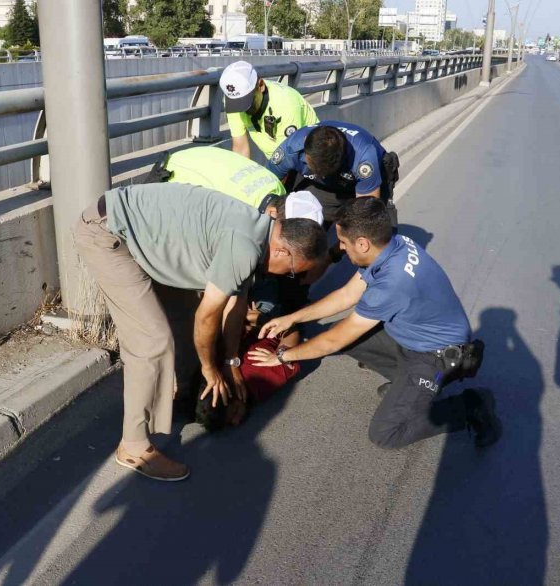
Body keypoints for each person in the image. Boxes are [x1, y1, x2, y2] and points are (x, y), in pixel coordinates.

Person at [74, 183, 327, 481]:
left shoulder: (260, 232)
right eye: (294, 270)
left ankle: (180, 392)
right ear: (283, 249)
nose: (289, 276)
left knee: (183, 318)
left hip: (139, 233)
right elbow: (208, 317)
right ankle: (133, 447)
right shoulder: (244, 246)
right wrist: (209, 368)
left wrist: (230, 363)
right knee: (152, 341)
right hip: (108, 233)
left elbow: (234, 308)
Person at [248, 198, 501, 450]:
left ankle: (469, 405)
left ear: (362, 243)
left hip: (438, 357)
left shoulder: (392, 283)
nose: (342, 250)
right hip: (412, 337)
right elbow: (347, 295)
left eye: (344, 243)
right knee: (341, 335)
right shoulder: (394, 246)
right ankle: (406, 384)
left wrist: (282, 356)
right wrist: (292, 317)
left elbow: (334, 340)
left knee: (385, 434)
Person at [266, 121, 399, 224]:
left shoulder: (364, 158)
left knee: (375, 234)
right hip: (322, 185)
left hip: (361, 183)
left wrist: (336, 251)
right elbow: (268, 187)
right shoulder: (291, 148)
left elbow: (366, 214)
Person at [219, 60, 319, 161]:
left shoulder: (285, 102)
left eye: (247, 102)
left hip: (309, 156)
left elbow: (289, 156)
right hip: (276, 158)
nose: (243, 110)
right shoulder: (233, 103)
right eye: (237, 104)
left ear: (261, 85)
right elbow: (240, 150)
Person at [147, 146, 286, 211]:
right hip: (168, 175)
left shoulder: (277, 185)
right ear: (272, 213)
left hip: (192, 157)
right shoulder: (241, 208)